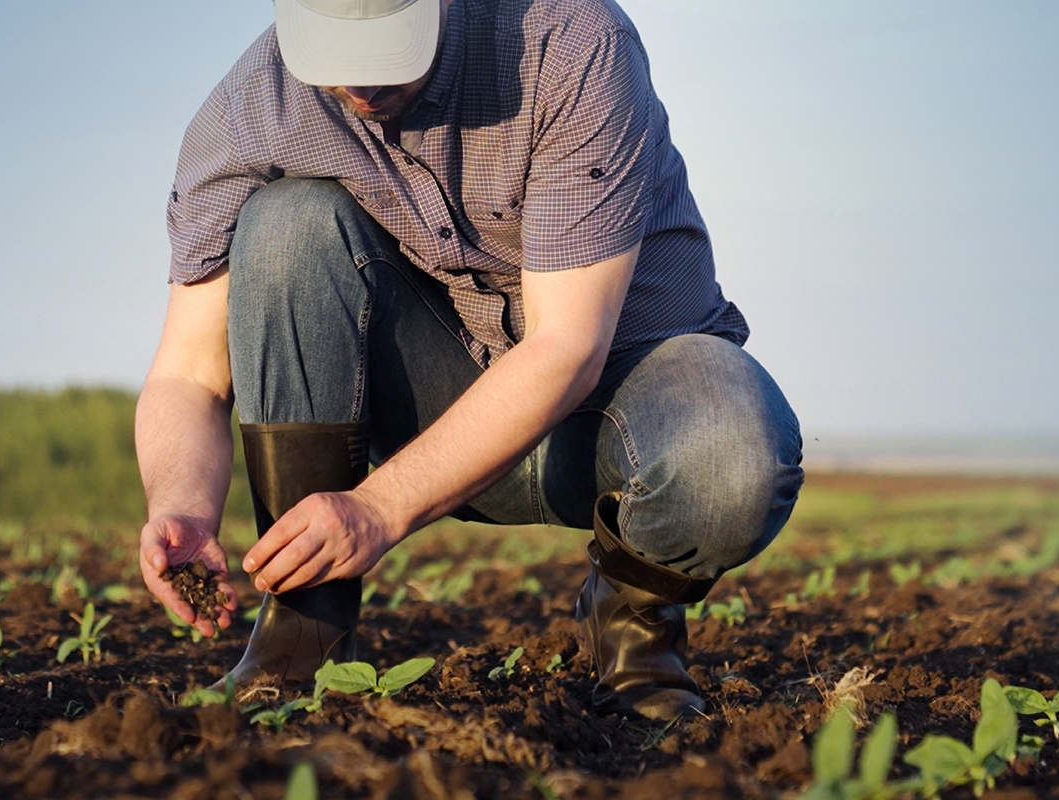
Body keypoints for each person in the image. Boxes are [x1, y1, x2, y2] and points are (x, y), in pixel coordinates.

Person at [135, 0, 803, 720]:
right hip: (443, 407)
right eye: (335, 54)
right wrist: (181, 502)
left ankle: (635, 637)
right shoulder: (248, 112)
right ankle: (302, 640)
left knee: (729, 458)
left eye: (386, 48)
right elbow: (188, 374)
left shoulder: (570, 45)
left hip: (622, 413)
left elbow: (567, 348)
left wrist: (378, 508)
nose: (360, 85)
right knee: (284, 225)